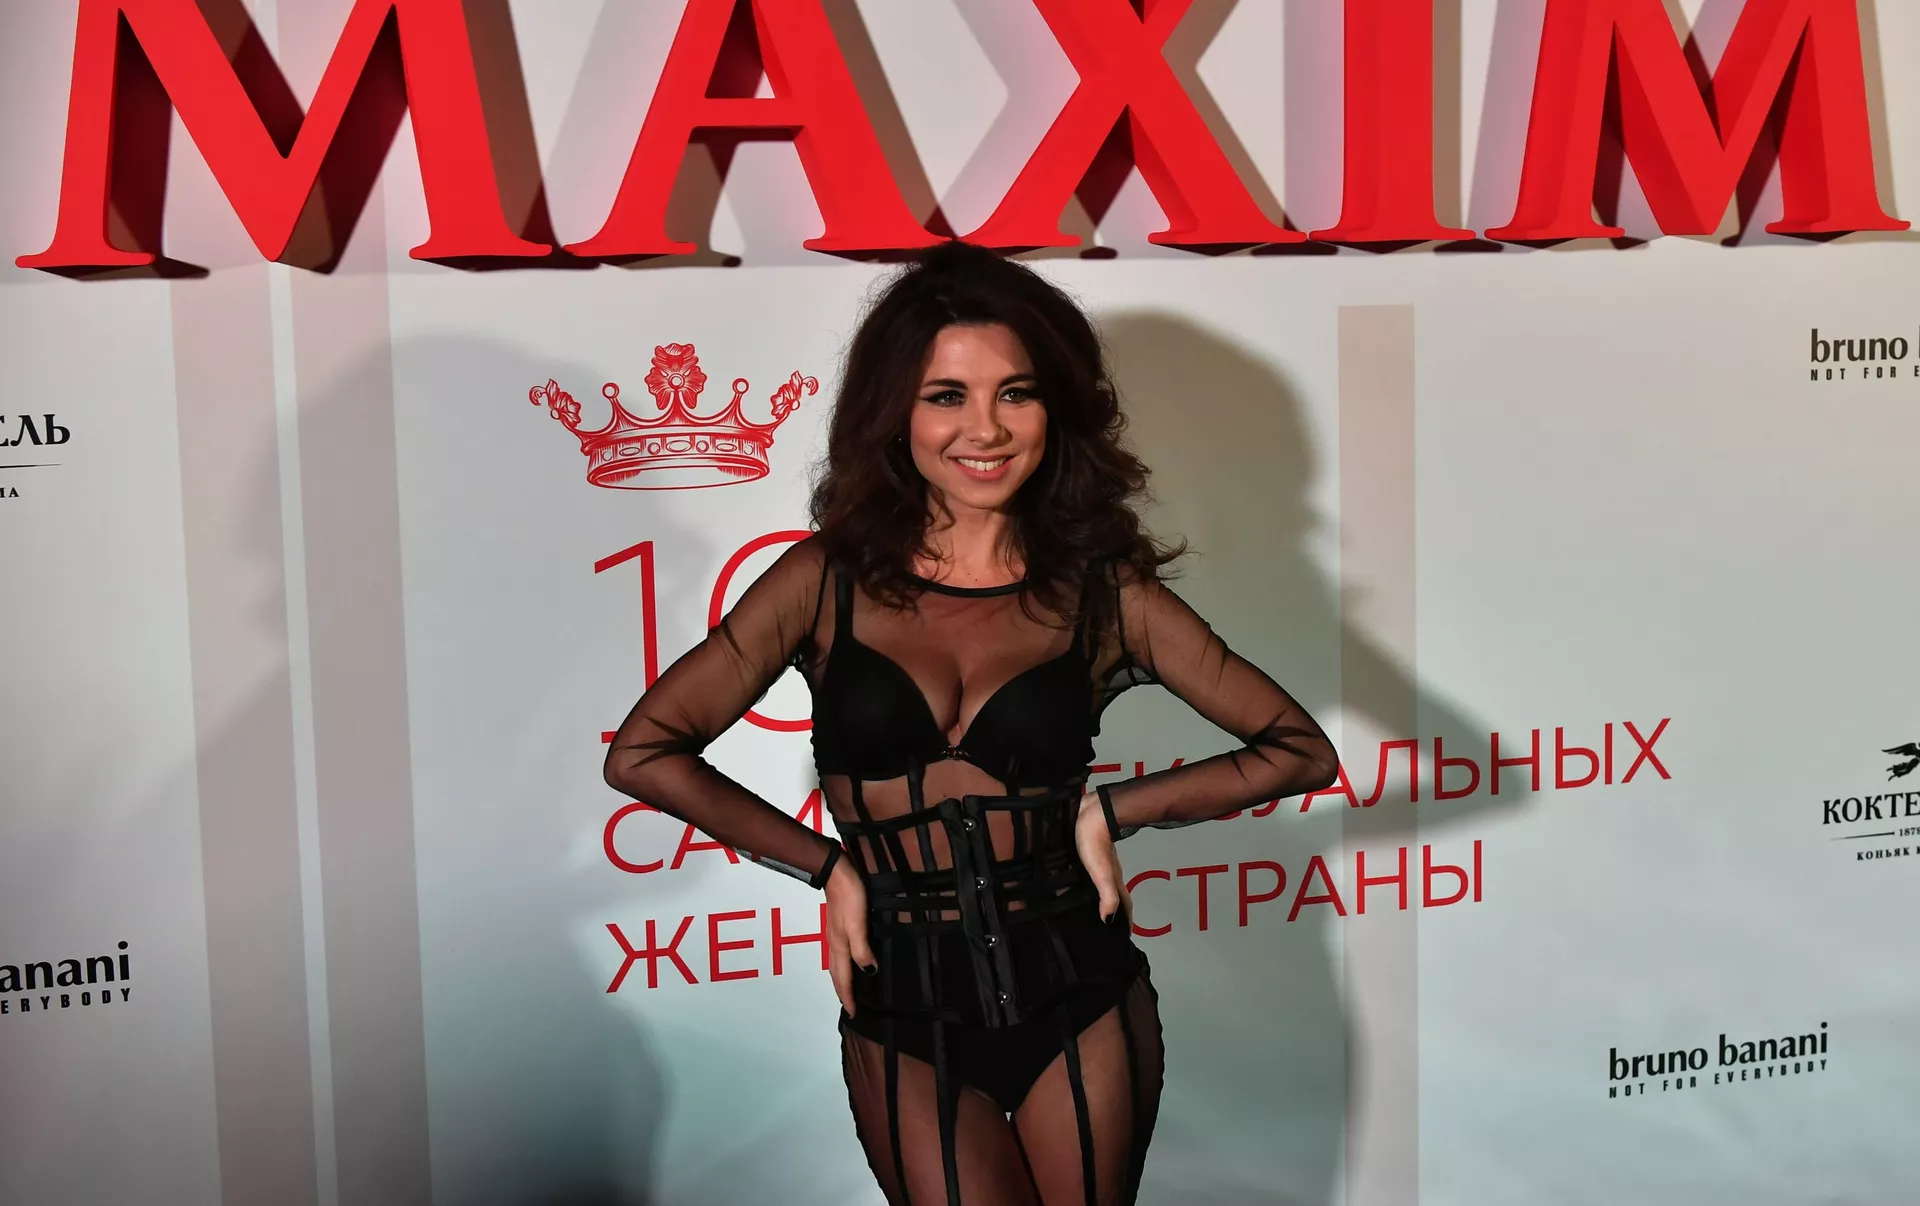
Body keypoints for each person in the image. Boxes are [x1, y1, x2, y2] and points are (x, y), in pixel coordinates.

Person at [603, 242, 1339, 1206]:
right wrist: (828, 868)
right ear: (894, 413)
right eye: (946, 396)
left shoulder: (1103, 592)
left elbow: (1299, 750)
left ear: (1053, 409)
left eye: (1015, 393)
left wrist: (1115, 811)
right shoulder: (821, 582)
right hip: (901, 1011)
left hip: (1083, 995)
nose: (984, 429)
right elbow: (644, 753)